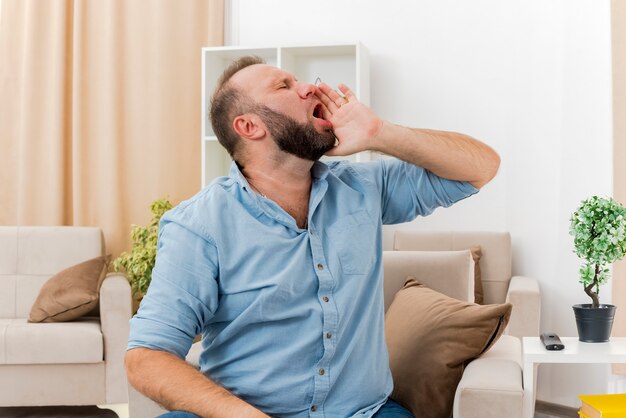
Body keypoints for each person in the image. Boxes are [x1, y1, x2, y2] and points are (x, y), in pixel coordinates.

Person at [125, 55, 500, 418]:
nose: (311, 87)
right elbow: (147, 356)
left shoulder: (364, 188)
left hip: (363, 413)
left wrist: (379, 133)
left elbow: (481, 167)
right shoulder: (199, 225)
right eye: (284, 85)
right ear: (250, 127)